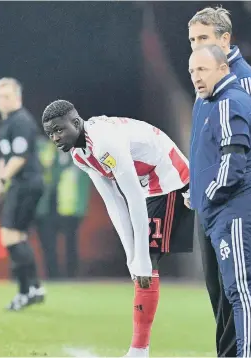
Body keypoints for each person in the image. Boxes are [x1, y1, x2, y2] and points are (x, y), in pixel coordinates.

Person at [41, 100, 194, 357]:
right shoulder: (79, 155)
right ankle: (140, 350)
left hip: (168, 176)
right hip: (147, 183)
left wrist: (141, 256)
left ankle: (139, 350)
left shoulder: (104, 143)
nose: (55, 138)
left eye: (59, 130)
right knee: (140, 262)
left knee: (150, 260)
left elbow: (132, 197)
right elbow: (114, 202)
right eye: (50, 133)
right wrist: (130, 255)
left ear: (76, 123)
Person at [187, 7, 251, 356]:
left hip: (232, 200)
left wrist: (217, 188)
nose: (195, 47)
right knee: (219, 292)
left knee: (235, 289)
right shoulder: (205, 84)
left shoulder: (241, 83)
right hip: (211, 202)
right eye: (192, 40)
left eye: (203, 39)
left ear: (224, 40)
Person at [0, 77, 45, 311]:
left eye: (6, 96)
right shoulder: (6, 124)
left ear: (18, 97)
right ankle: (34, 288)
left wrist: (2, 179)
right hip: (19, 183)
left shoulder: (22, 121)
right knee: (18, 236)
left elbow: (19, 157)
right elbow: (4, 158)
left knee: (9, 236)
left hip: (26, 183)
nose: (1, 101)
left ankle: (26, 292)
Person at [35, 137, 90, 279]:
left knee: (70, 244)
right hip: (46, 207)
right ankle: (52, 276)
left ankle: (71, 276)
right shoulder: (45, 151)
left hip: (69, 208)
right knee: (48, 245)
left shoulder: (80, 153)